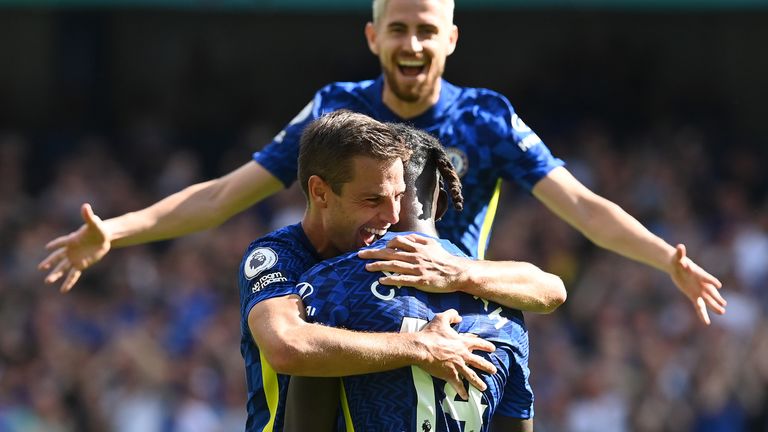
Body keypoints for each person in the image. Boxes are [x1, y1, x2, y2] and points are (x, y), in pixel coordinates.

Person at [39, 0, 725, 324]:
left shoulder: (484, 116)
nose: (413, 43)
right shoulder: (335, 110)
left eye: (427, 30)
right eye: (399, 28)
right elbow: (223, 195)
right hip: (340, 312)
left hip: (451, 312)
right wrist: (118, 232)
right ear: (373, 36)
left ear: (450, 39)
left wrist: (667, 259)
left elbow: (583, 207)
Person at [234, 110, 564, 431]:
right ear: (320, 191)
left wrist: (460, 272)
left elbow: (551, 290)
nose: (393, 217)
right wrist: (419, 347)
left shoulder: (424, 261)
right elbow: (287, 346)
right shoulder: (277, 257)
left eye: (398, 197)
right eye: (373, 200)